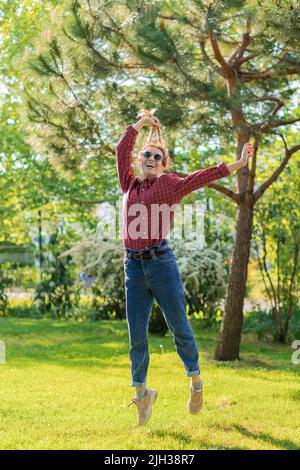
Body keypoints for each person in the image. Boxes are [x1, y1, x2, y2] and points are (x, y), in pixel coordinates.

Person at [116, 111, 254, 426]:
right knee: (136, 335)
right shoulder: (129, 185)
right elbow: (122, 149)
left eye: (156, 156)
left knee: (180, 328)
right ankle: (142, 396)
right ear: (140, 162)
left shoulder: (169, 184)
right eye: (145, 155)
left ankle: (196, 383)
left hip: (161, 265)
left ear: (163, 165)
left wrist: (237, 165)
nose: (149, 158)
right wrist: (141, 124)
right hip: (133, 270)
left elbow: (202, 176)